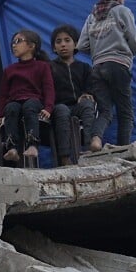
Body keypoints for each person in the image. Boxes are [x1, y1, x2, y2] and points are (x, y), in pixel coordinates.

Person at [75, 0, 136, 148]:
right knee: (125, 113)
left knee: (105, 110)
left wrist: (99, 49)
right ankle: (123, 149)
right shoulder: (122, 11)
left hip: (97, 67)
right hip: (118, 65)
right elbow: (135, 44)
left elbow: (82, 45)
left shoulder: (92, 17)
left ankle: (95, 139)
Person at [0, 29, 55, 167]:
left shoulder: (42, 66)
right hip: (15, 101)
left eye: (18, 41)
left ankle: (33, 145)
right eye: (12, 42)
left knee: (30, 106)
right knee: (11, 108)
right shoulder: (10, 70)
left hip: (34, 101)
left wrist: (48, 107)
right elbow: (2, 95)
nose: (14, 45)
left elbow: (49, 88)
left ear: (31, 46)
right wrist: (0, 114)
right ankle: (12, 148)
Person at [47, 24, 94, 166]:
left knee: (87, 105)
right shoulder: (49, 67)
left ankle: (90, 150)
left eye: (67, 40)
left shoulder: (84, 67)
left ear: (75, 44)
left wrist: (87, 94)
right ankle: (65, 157)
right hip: (58, 106)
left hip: (77, 106)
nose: (63, 44)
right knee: (62, 110)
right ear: (54, 48)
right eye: (58, 41)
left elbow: (92, 86)